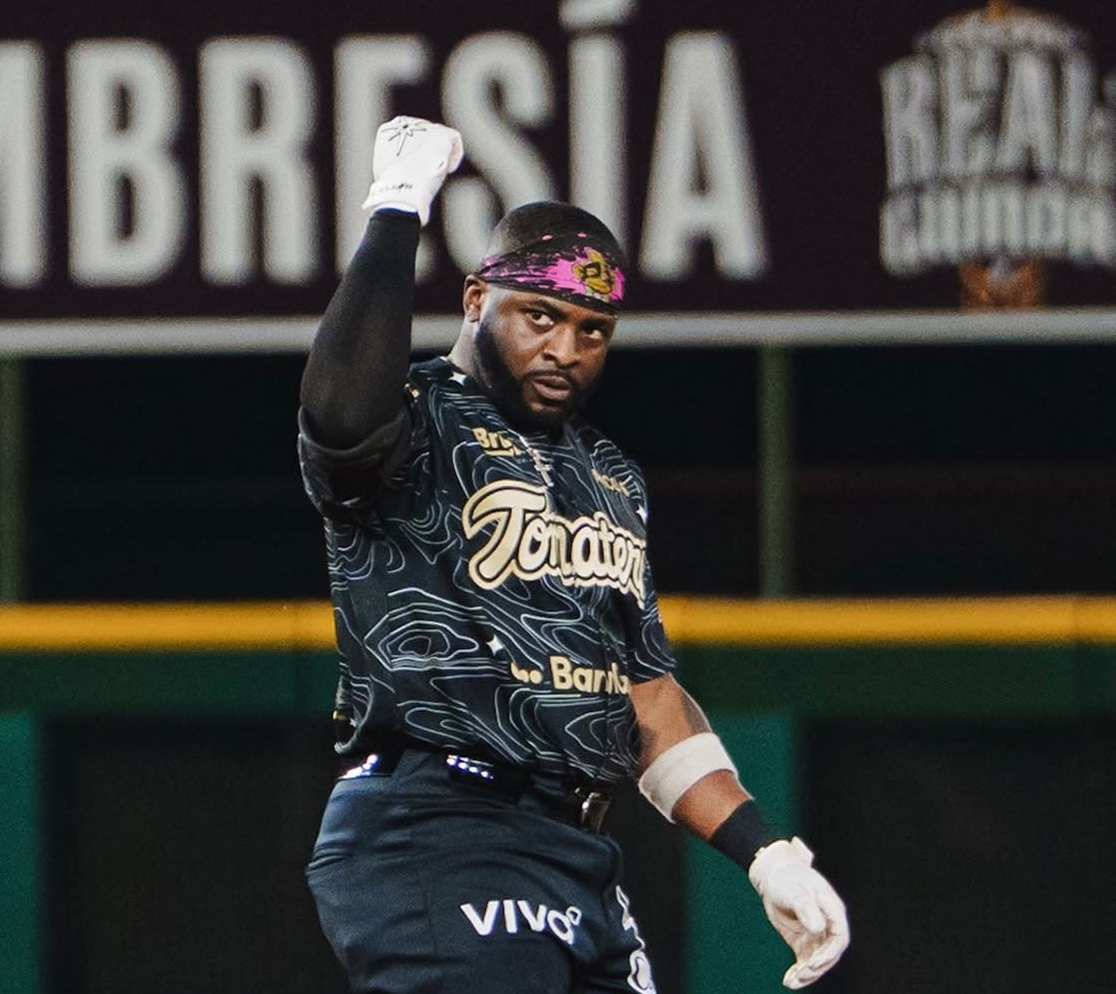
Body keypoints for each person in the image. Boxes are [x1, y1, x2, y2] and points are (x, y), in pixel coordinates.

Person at [299, 116, 849, 993]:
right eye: (540, 316)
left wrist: (765, 852)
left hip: (574, 850)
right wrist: (396, 210)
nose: (565, 349)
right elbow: (339, 415)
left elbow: (648, 700)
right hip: (437, 824)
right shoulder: (415, 418)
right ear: (478, 300)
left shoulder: (609, 475)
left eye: (592, 330)